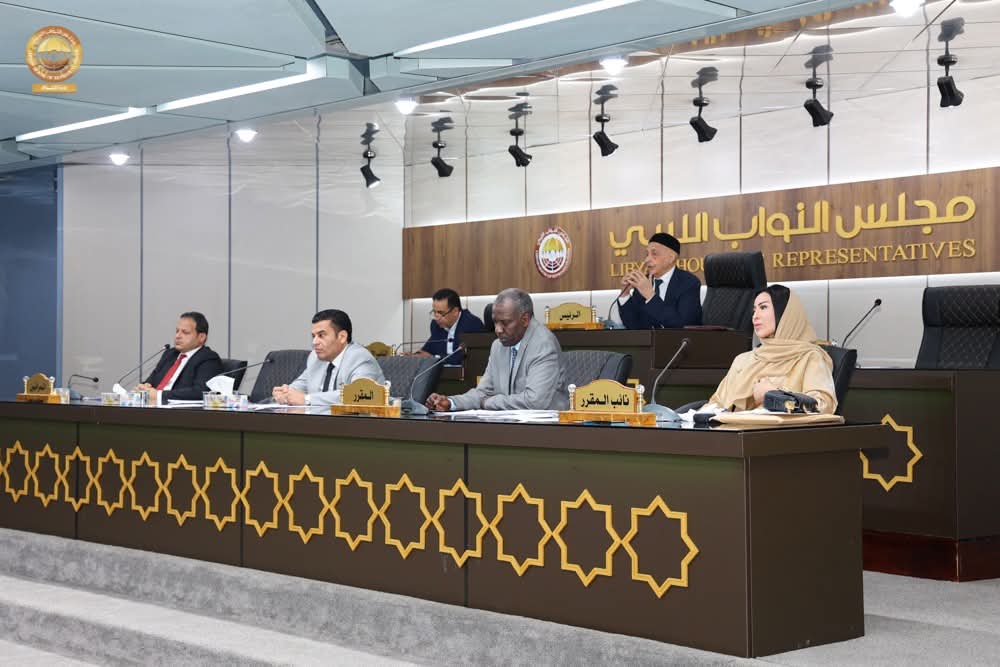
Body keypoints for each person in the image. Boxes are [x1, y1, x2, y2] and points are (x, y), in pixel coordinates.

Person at [425, 288, 567, 411]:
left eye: (505, 323)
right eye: (495, 322)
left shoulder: (543, 344)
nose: (498, 330)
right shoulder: (498, 346)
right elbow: (483, 392)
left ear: (524, 320)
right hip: (509, 424)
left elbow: (535, 402)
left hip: (547, 428)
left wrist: (488, 403)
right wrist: (451, 402)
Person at [704, 285, 837, 414]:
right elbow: (716, 404)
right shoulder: (743, 360)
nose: (755, 316)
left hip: (777, 430)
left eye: (763, 307)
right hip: (731, 428)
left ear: (785, 313)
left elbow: (822, 406)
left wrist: (775, 395)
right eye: (754, 310)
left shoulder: (810, 357)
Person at [272, 309, 385, 407]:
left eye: (321, 335)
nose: (314, 342)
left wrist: (307, 399)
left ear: (342, 337)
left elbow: (358, 395)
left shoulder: (360, 358)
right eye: (313, 336)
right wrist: (285, 393)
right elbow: (301, 385)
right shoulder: (315, 357)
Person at [618, 232, 702, 329]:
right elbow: (633, 325)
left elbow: (683, 325)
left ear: (671, 258)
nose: (647, 260)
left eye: (654, 254)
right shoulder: (644, 281)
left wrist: (650, 296)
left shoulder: (688, 283)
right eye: (647, 254)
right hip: (647, 339)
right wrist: (625, 294)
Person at [137, 311, 222, 402]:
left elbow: (200, 392)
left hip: (176, 409)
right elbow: (151, 381)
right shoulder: (170, 354)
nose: (177, 336)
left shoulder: (208, 358)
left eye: (185, 332)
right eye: (177, 331)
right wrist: (143, 387)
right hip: (152, 405)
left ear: (201, 337)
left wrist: (159, 395)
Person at [411, 288, 484, 365]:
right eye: (434, 312)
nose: (436, 317)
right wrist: (414, 356)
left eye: (440, 313)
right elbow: (429, 349)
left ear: (455, 311)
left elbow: (461, 358)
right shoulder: (436, 325)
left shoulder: (472, 324)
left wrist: (434, 358)